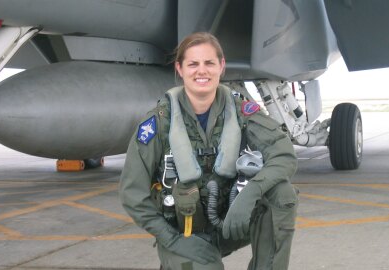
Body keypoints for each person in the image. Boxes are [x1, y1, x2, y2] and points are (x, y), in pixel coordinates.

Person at [120, 32, 298, 270]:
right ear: (180, 69)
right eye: (193, 64)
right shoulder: (159, 123)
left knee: (282, 194)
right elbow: (132, 194)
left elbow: (284, 155)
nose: (201, 71)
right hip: (184, 234)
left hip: (231, 222)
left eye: (209, 63)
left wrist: (251, 193)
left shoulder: (242, 112)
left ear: (221, 67)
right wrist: (170, 238)